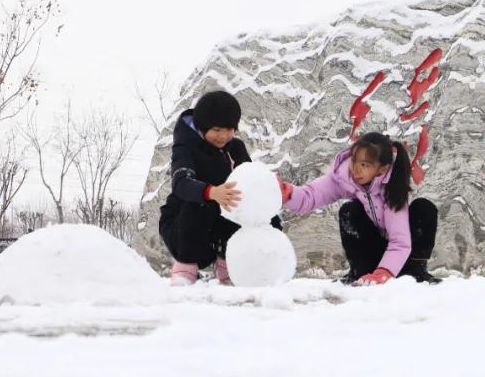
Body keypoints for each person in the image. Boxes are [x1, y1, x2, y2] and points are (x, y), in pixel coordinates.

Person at [277, 132, 440, 285]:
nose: (356, 169)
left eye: (364, 164)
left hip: (402, 257)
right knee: (349, 211)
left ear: (382, 169)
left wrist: (384, 272)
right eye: (354, 161)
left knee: (424, 208)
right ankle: (358, 272)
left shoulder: (393, 187)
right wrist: (288, 192)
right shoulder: (345, 178)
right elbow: (311, 195)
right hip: (371, 253)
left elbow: (400, 240)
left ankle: (416, 272)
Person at [159, 89, 267, 286]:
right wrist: (210, 192)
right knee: (200, 203)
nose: (223, 136)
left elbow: (251, 181)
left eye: (229, 130)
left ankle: (228, 267)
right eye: (217, 130)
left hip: (219, 225)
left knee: (241, 203)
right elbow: (181, 183)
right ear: (203, 127)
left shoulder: (235, 148)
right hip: (184, 228)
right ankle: (185, 270)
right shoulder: (186, 147)